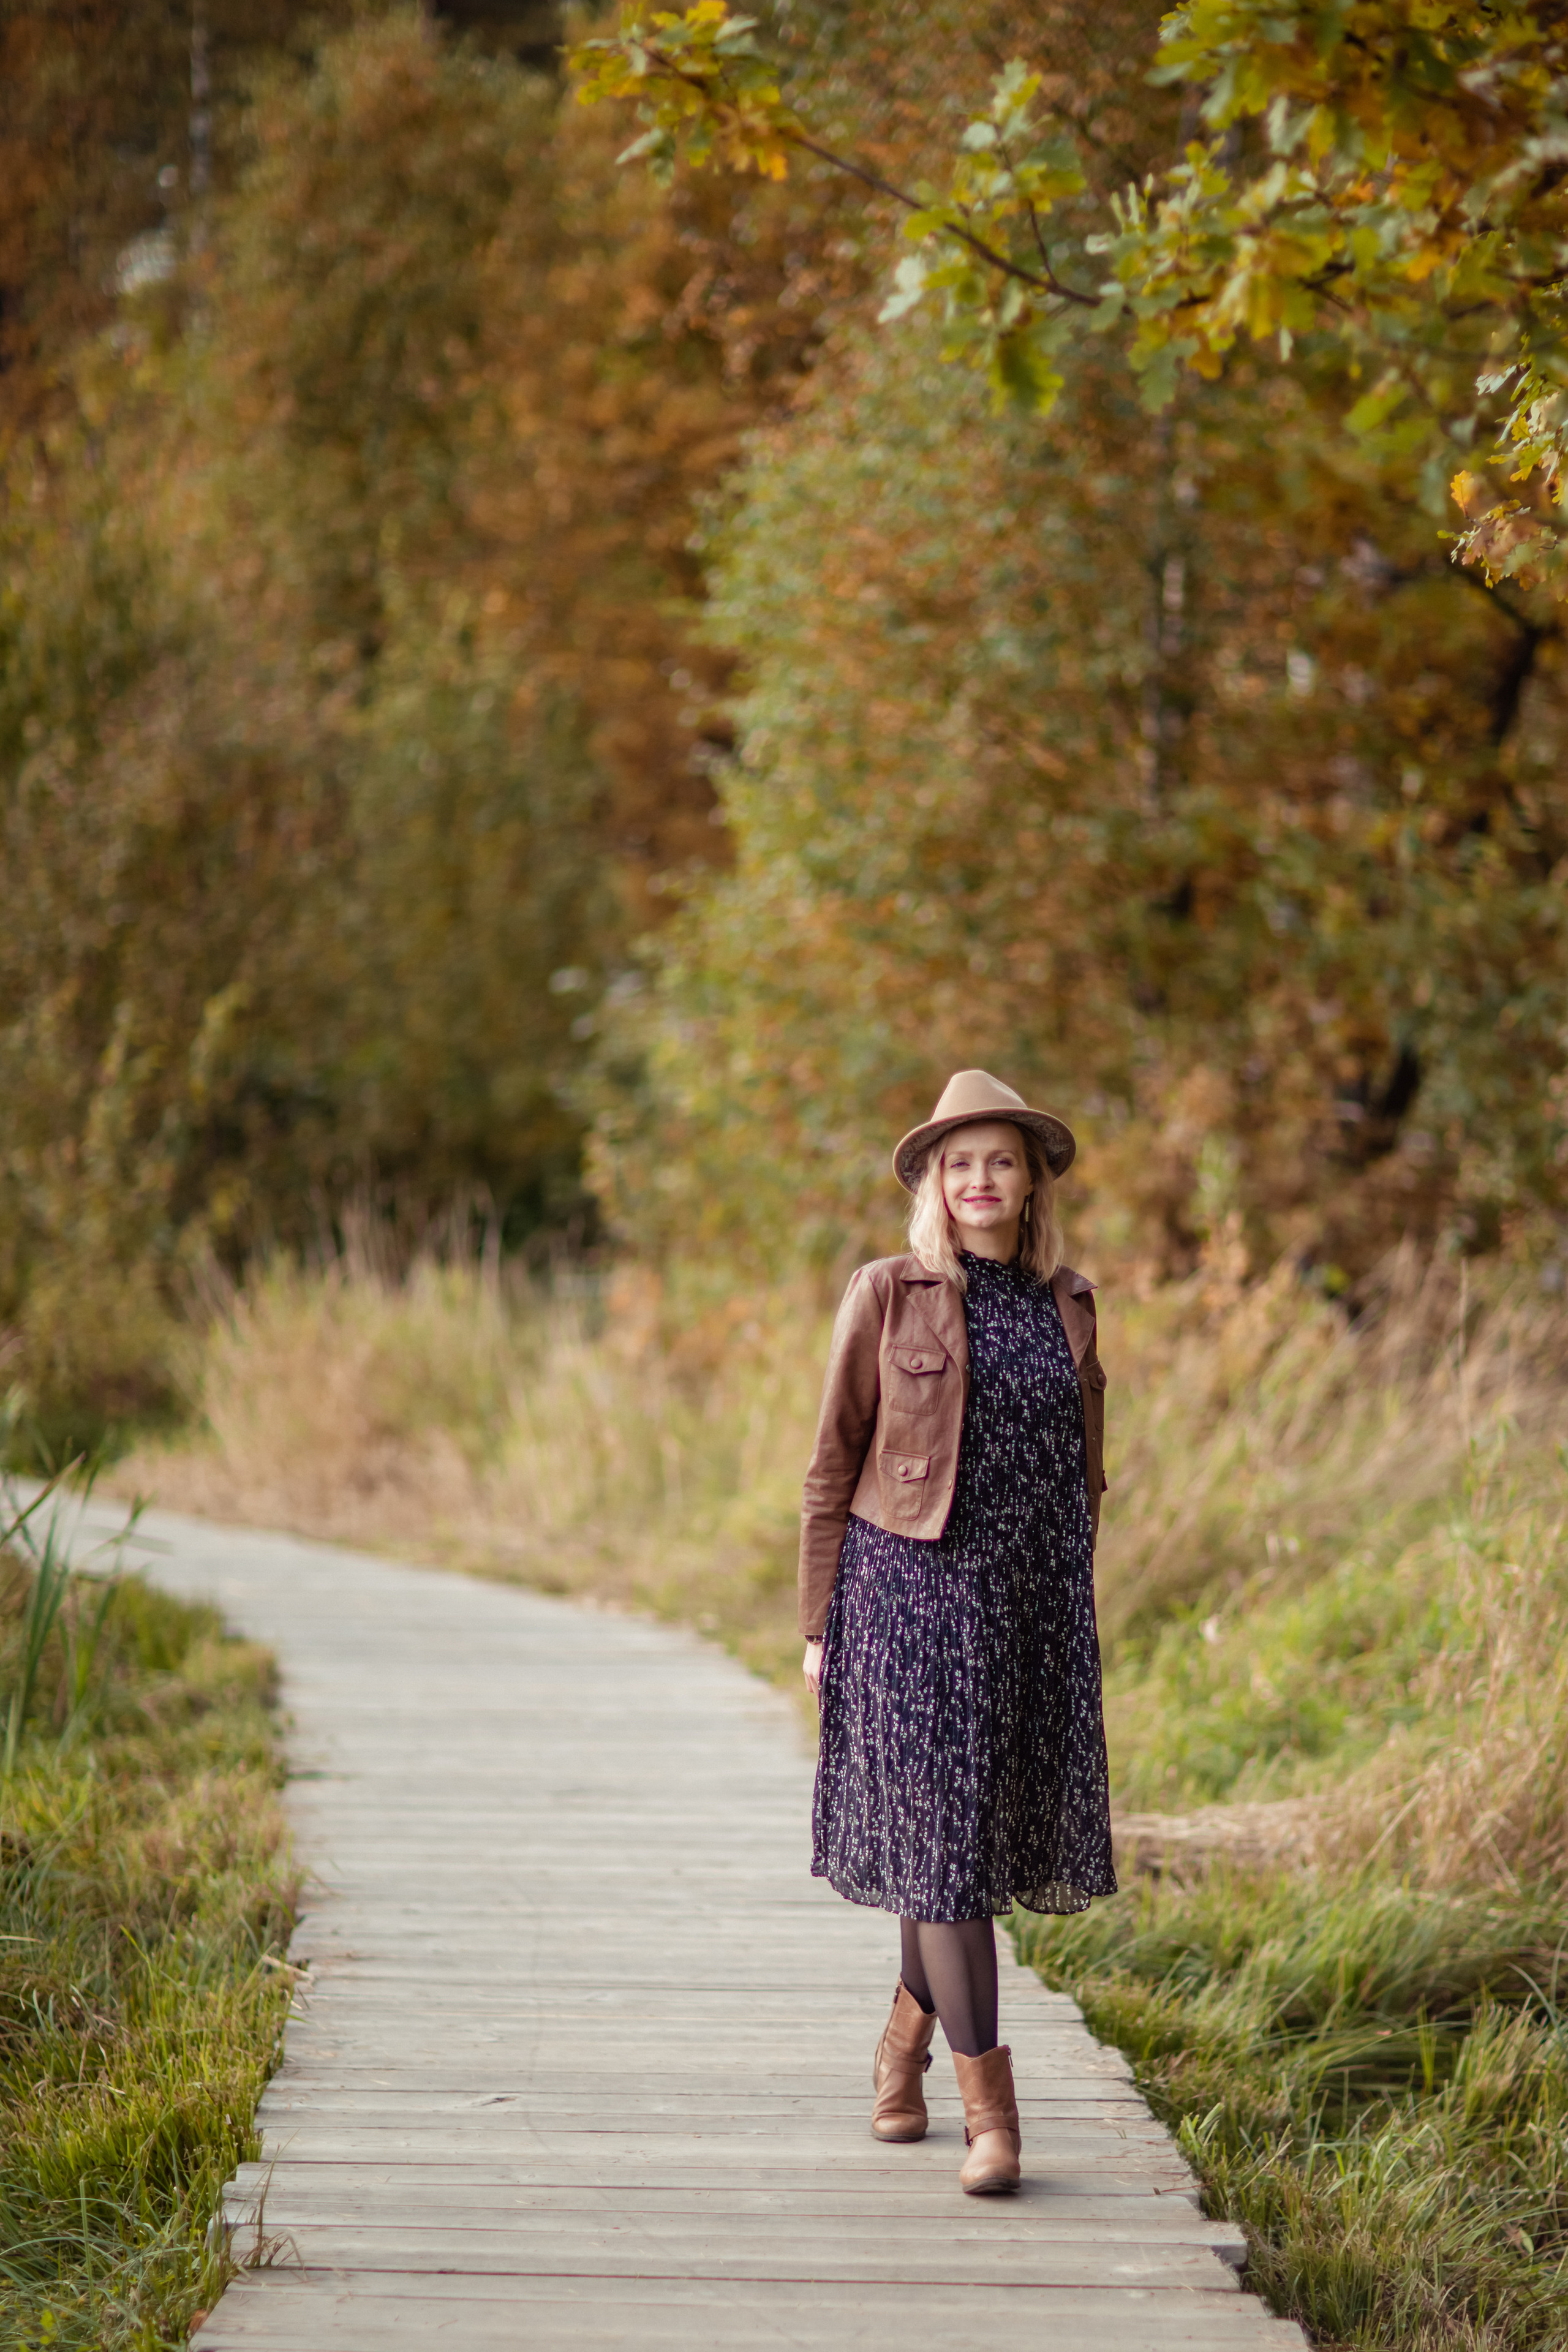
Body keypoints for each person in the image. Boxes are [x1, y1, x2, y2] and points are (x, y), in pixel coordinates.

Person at [799, 1069, 1115, 2195]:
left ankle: (899, 2055)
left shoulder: (1068, 1302)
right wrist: (818, 1620)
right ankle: (995, 2119)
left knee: (959, 1844)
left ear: (1030, 1181)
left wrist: (1073, 1596)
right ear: (936, 1181)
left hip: (1029, 1614)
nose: (981, 1179)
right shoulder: (887, 1292)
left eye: (1001, 1159)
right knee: (945, 1854)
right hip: (907, 1601)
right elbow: (833, 1462)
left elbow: (1087, 1472)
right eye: (960, 1161)